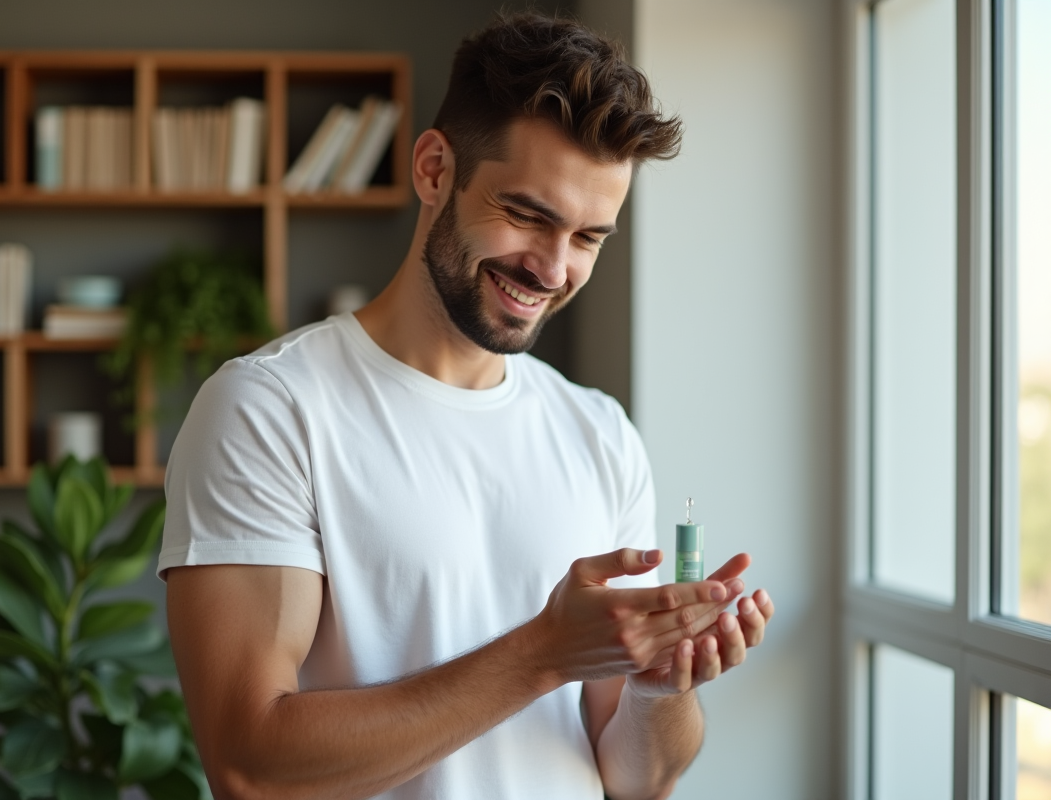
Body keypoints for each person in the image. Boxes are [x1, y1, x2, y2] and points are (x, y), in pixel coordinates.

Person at [159, 12, 773, 800]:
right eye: (527, 215)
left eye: (589, 236)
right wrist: (545, 653)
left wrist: (661, 683)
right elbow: (251, 768)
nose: (553, 269)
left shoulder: (599, 433)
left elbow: (637, 779)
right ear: (434, 169)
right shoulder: (269, 410)